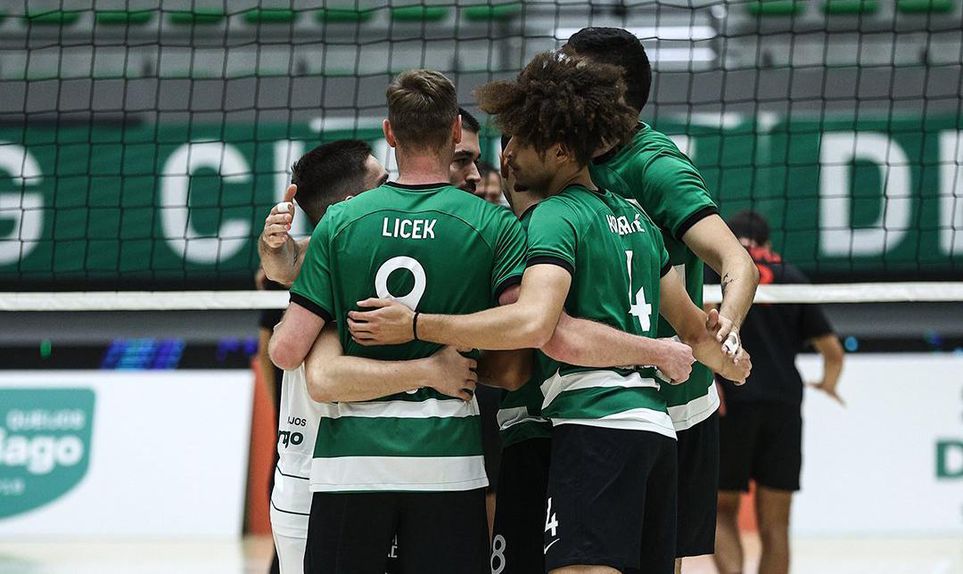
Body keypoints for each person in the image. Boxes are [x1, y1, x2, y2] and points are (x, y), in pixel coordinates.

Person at [348, 52, 751, 574]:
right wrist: (730, 361)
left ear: (560, 150)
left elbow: (540, 326)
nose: (507, 154)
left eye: (521, 140)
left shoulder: (553, 218)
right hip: (653, 429)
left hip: (586, 425)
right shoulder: (637, 220)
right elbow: (696, 332)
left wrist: (417, 325)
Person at [269, 69, 531, 574]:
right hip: (448, 464)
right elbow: (519, 335)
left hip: (351, 466)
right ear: (455, 131)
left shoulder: (340, 222)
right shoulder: (493, 224)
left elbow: (287, 351)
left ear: (389, 134)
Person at [566, 27, 761, 571]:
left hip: (671, 402)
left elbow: (737, 262)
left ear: (612, 92)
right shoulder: (563, 151)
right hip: (596, 392)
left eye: (571, 73)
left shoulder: (656, 168)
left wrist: (727, 329)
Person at [710, 211, 844, 574]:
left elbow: (700, 334)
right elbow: (833, 352)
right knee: (776, 524)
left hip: (731, 403)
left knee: (721, 511)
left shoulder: (715, 272)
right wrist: (828, 384)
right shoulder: (791, 276)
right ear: (767, 242)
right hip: (783, 404)